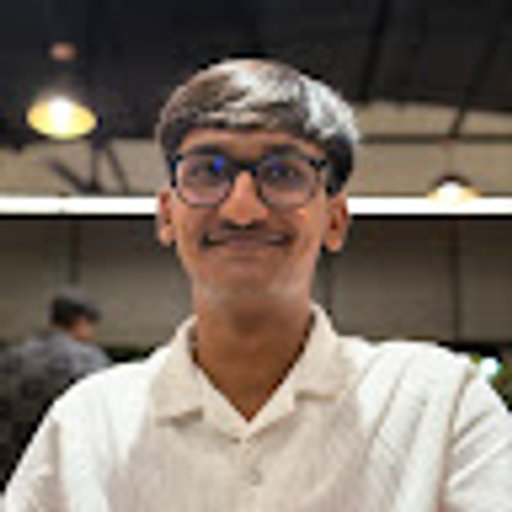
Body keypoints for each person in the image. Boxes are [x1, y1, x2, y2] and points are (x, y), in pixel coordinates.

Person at [5, 59, 512, 511]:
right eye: (208, 171)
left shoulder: (437, 406)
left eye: (283, 172)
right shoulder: (88, 426)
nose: (242, 210)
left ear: (335, 220)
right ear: (166, 215)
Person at [0, 288, 110, 489]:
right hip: (59, 480)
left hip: (11, 475)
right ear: (82, 322)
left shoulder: (11, 356)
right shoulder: (90, 362)